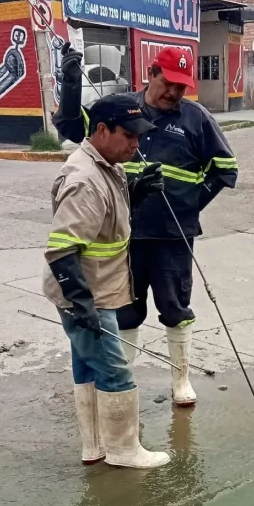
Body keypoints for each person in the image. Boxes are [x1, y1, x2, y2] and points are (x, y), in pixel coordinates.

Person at [53, 43, 239, 408]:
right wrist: (71, 86)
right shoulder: (125, 110)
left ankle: (181, 380)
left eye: (181, 86)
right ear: (151, 74)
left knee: (175, 308)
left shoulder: (196, 118)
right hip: (125, 235)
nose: (173, 92)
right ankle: (125, 383)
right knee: (125, 310)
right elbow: (73, 128)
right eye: (168, 82)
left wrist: (191, 205)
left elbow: (226, 168)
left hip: (174, 236)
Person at [43, 93, 169, 469]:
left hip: (93, 288)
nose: (136, 144)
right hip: (85, 293)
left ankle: (95, 447)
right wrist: (81, 304)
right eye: (128, 135)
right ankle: (123, 450)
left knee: (89, 364)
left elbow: (104, 218)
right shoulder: (85, 180)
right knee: (115, 369)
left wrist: (136, 192)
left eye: (139, 136)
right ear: (101, 130)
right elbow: (62, 249)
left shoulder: (106, 164)